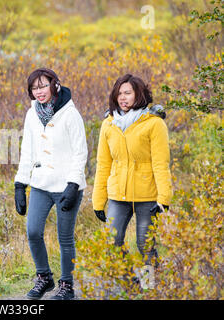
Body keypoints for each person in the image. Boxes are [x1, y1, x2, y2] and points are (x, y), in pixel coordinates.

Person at [14, 68, 88, 300]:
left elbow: (80, 152)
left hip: (67, 187)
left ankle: (67, 285)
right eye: (34, 88)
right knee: (33, 231)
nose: (39, 92)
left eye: (43, 86)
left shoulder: (70, 114)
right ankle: (44, 277)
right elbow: (28, 151)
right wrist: (20, 184)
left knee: (64, 237)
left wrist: (73, 184)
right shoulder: (31, 114)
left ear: (54, 85)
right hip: (40, 185)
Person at [92, 73, 173, 272]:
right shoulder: (108, 124)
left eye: (128, 93)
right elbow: (103, 164)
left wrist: (163, 198)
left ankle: (150, 288)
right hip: (118, 194)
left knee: (145, 244)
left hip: (148, 195)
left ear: (139, 94)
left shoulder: (154, 123)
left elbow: (161, 163)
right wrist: (98, 200)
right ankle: (132, 286)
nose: (123, 97)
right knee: (112, 241)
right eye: (119, 93)